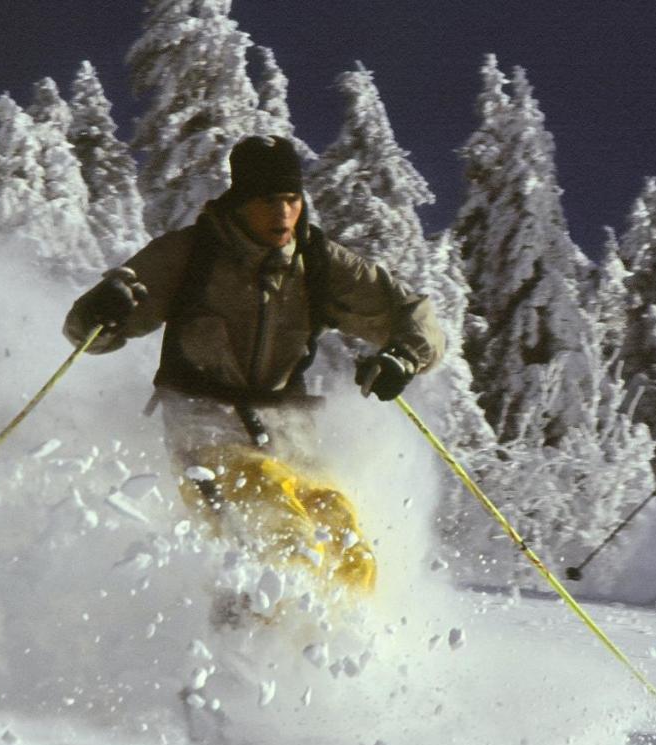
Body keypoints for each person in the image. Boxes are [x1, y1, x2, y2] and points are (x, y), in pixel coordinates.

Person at [63, 135, 445, 608]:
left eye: (291, 199)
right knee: (280, 528)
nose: (283, 214)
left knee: (347, 546)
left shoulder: (319, 263)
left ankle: (343, 651)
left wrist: (403, 356)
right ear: (240, 202)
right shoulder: (189, 254)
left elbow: (412, 312)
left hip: (288, 430)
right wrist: (105, 310)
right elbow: (88, 333)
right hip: (203, 423)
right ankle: (252, 651)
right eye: (268, 201)